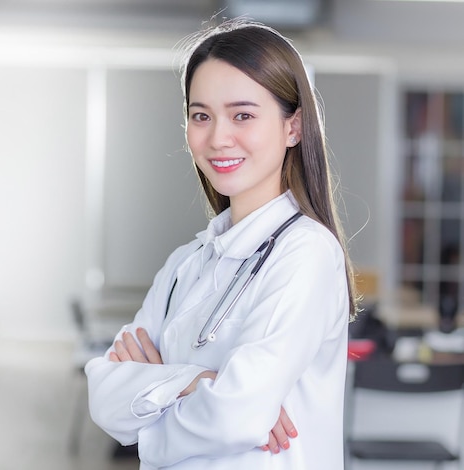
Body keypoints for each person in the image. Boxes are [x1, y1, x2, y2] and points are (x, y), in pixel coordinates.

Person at [85, 18, 357, 470]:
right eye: (201, 115)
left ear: (294, 127)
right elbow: (104, 395)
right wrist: (196, 380)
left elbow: (236, 416)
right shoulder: (184, 265)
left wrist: (153, 404)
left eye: (243, 115)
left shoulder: (306, 254)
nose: (217, 138)